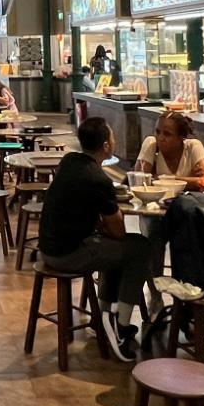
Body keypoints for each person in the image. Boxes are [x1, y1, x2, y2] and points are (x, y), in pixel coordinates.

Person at [39, 117, 158, 361]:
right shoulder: (97, 179)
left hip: (49, 247)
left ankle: (103, 315)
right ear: (106, 146)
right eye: (112, 137)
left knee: (118, 250)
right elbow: (118, 232)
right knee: (139, 247)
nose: (114, 140)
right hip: (68, 254)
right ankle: (121, 327)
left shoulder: (69, 162)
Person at [136, 111, 204, 184]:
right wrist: (191, 181)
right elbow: (140, 180)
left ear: (181, 137)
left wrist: (164, 179)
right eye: (158, 132)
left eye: (167, 134)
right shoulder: (151, 143)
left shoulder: (193, 146)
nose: (160, 138)